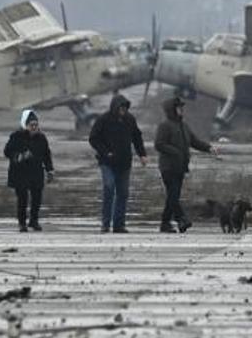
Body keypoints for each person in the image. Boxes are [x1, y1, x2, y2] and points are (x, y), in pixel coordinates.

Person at [153, 96, 216, 233]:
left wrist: (208, 148)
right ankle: (180, 219)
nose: (182, 109)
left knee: (172, 196)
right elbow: (159, 144)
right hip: (168, 167)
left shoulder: (183, 126)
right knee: (173, 195)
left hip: (180, 167)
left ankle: (168, 223)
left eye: (182, 107)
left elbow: (194, 141)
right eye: (179, 107)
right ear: (172, 110)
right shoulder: (165, 126)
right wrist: (175, 151)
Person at [88, 93, 147, 233]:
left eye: (125, 108)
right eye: (121, 107)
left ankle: (119, 224)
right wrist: (105, 152)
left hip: (124, 163)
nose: (123, 110)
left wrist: (142, 154)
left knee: (123, 193)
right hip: (107, 162)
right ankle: (105, 223)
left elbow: (137, 137)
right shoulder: (104, 119)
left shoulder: (130, 119)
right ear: (115, 107)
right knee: (109, 187)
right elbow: (93, 138)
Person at [3, 109, 54, 232]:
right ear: (25, 125)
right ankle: (22, 223)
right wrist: (18, 156)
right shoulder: (16, 136)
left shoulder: (41, 138)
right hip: (20, 173)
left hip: (36, 172)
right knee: (22, 199)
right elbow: (7, 151)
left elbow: (46, 154)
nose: (34, 127)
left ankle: (34, 221)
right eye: (31, 125)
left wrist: (50, 170)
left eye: (36, 125)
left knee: (37, 198)